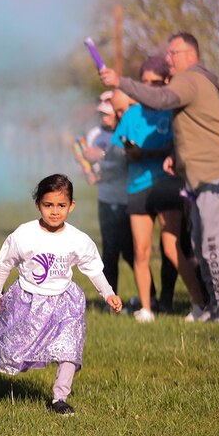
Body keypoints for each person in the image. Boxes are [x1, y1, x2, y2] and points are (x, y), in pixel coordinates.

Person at [100, 32, 219, 322]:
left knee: (214, 245)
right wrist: (175, 155)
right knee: (204, 244)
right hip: (201, 177)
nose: (168, 59)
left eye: (172, 53)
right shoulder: (196, 81)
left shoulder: (189, 79)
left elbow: (162, 99)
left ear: (190, 55)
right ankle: (218, 306)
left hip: (217, 174)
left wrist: (121, 83)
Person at [0, 174, 123, 416]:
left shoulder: (77, 239)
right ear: (38, 204)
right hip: (29, 301)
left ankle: (60, 398)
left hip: (65, 302)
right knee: (14, 350)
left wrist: (108, 293)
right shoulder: (24, 235)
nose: (55, 211)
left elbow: (92, 267)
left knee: (69, 347)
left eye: (61, 205)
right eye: (48, 205)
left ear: (71, 206)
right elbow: (5, 264)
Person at [111, 59, 206, 322]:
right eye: (146, 82)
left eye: (157, 83)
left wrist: (147, 153)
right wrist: (127, 152)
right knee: (141, 252)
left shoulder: (172, 112)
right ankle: (146, 308)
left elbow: (177, 149)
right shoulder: (131, 114)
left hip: (165, 185)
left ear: (166, 83)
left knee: (171, 246)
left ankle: (199, 305)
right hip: (137, 187)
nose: (151, 87)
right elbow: (118, 147)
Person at [75, 91, 134, 300]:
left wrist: (102, 168)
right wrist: (89, 172)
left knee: (131, 253)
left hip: (128, 200)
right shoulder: (93, 134)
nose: (104, 117)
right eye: (102, 114)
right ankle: (111, 298)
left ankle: (150, 298)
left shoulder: (127, 132)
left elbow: (126, 163)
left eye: (108, 114)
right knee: (109, 252)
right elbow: (91, 164)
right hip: (106, 200)